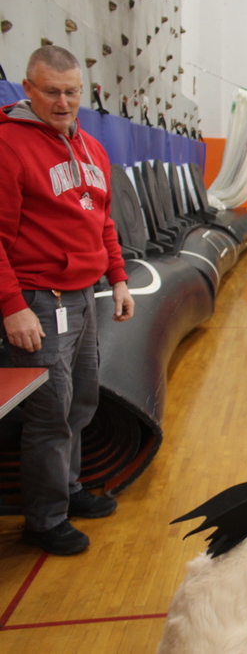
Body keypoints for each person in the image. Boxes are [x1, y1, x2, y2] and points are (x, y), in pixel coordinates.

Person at [0, 45, 135, 554]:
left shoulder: (92, 149)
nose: (62, 102)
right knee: (48, 413)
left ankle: (70, 488)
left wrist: (118, 279)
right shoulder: (9, 146)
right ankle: (44, 517)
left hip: (84, 296)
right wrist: (12, 305)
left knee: (81, 400)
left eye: (71, 92)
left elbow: (102, 220)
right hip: (37, 300)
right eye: (51, 92)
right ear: (28, 90)